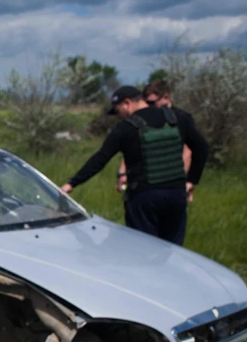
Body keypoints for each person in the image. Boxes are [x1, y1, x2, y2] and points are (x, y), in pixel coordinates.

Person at [60, 85, 208, 245]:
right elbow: (202, 147)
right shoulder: (176, 119)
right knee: (173, 250)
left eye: (117, 111)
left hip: (144, 199)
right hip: (176, 195)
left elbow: (100, 159)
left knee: (142, 250)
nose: (118, 117)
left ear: (127, 103)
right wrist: (191, 181)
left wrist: (71, 183)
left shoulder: (125, 128)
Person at [116, 79, 195, 202]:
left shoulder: (180, 118)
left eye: (152, 102)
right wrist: (123, 172)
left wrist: (183, 182)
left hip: (172, 180)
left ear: (166, 97)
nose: (149, 106)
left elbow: (188, 151)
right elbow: (134, 147)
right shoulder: (144, 118)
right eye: (147, 102)